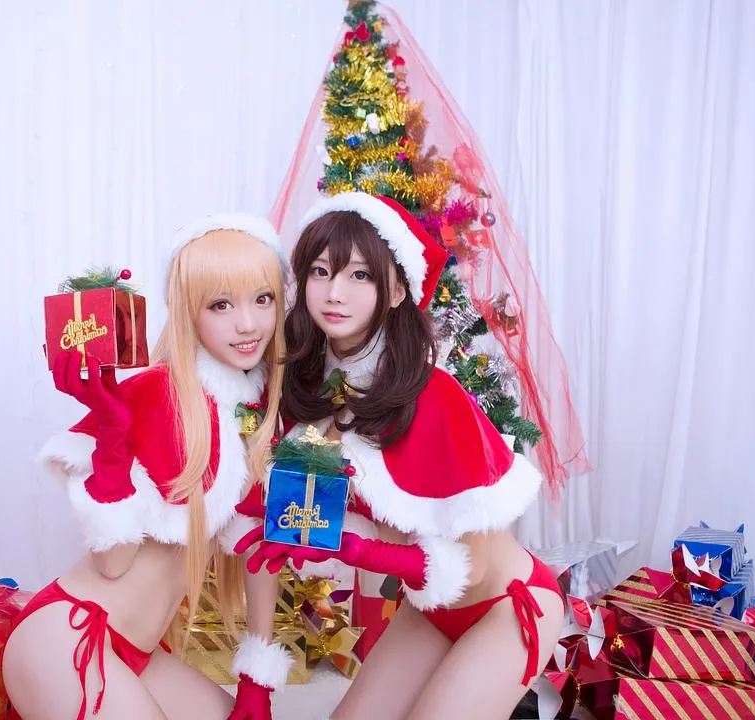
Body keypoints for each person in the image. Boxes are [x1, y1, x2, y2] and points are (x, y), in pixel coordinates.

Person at [238, 192, 566, 720]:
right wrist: (256, 680)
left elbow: (472, 566)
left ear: (396, 291)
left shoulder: (435, 397)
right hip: (430, 610)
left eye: (359, 275)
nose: (334, 292)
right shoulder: (303, 393)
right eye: (320, 271)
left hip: (506, 603)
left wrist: (362, 551)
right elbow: (269, 530)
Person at [3, 214, 293, 719]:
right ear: (188, 312)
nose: (248, 324)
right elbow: (111, 565)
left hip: (138, 655)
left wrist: (257, 680)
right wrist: (112, 431)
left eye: (262, 299)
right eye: (221, 304)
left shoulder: (258, 414)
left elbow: (260, 549)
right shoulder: (157, 393)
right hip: (70, 635)